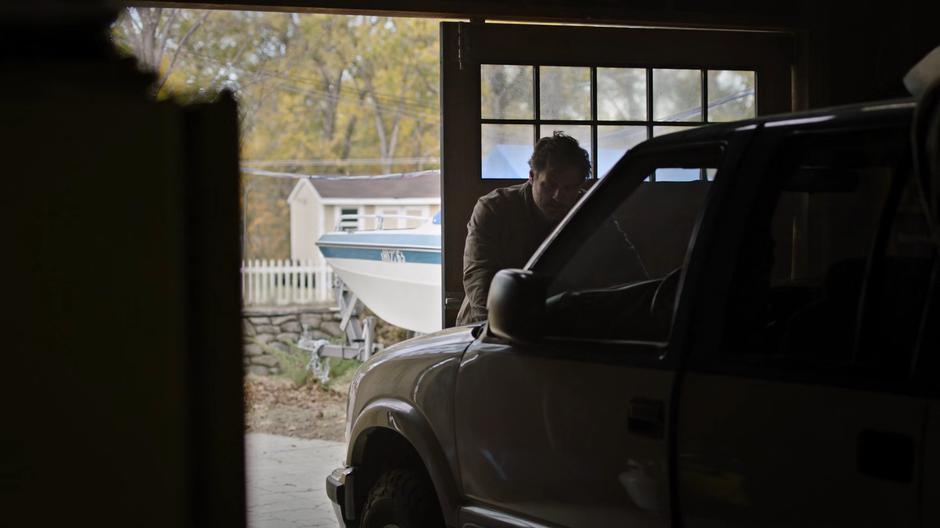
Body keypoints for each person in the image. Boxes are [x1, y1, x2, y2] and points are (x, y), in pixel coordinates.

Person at [456, 131, 590, 325]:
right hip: (487, 326)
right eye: (549, 186)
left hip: (563, 328)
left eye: (569, 188)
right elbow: (478, 276)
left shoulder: (590, 209)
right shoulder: (494, 208)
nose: (558, 196)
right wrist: (493, 329)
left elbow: (623, 266)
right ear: (531, 176)